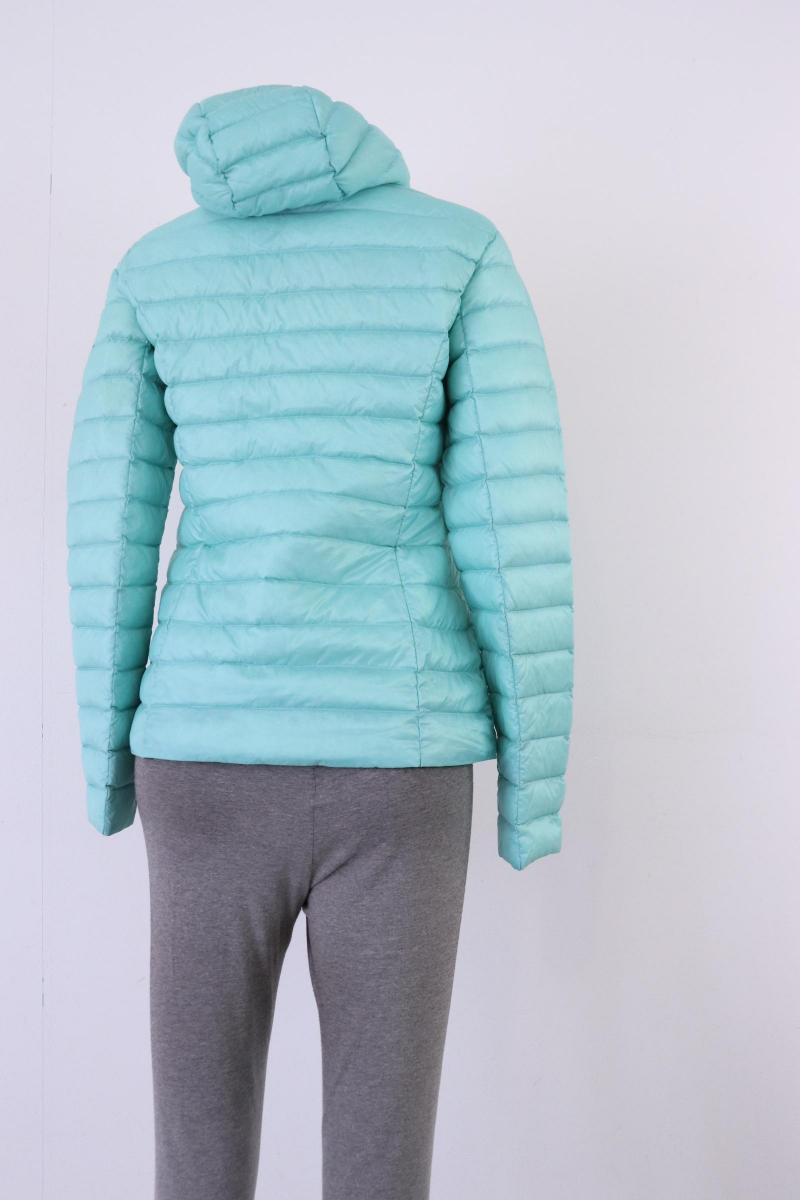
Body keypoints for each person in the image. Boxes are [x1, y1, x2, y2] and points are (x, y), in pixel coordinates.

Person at [66, 84, 574, 1200]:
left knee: (194, 1160)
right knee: (383, 1165)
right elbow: (514, 527)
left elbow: (110, 528)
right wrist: (531, 788)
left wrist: (108, 765)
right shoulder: (458, 251)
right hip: (399, 762)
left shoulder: (156, 269)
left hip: (201, 757)